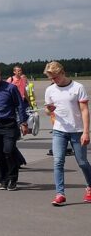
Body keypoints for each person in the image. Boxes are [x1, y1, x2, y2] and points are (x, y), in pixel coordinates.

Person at [42, 61, 91, 206]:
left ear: (62, 73)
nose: (53, 81)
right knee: (58, 161)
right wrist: (48, 110)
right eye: (50, 78)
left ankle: (89, 186)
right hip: (59, 130)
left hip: (77, 131)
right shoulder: (50, 90)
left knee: (82, 162)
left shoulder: (77, 87)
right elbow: (47, 111)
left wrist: (86, 132)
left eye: (55, 77)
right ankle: (60, 194)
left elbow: (84, 110)